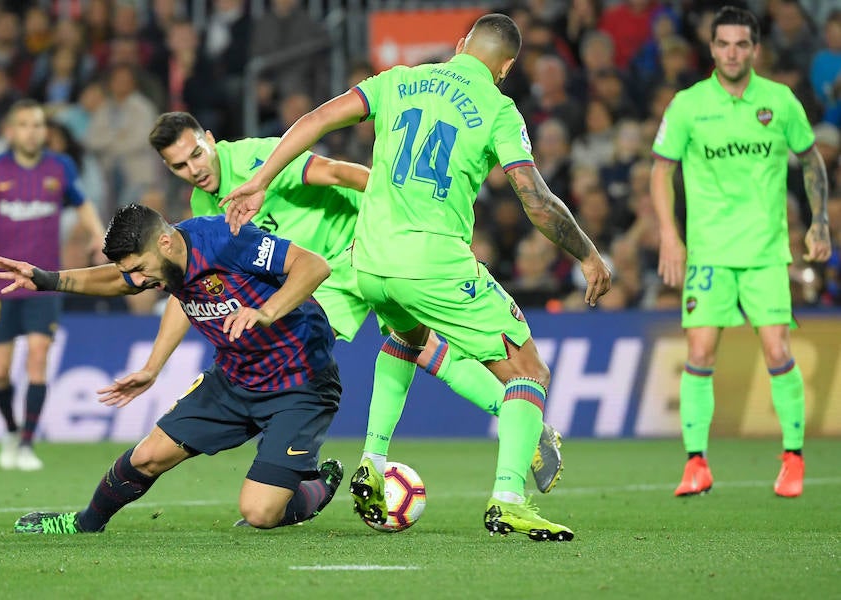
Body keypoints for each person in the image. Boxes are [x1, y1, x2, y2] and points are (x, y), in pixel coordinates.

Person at [221, 14, 611, 541]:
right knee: (529, 371)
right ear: (507, 67)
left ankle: (374, 460)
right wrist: (588, 255)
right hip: (432, 261)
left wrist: (260, 180)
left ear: (459, 45)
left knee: (406, 339)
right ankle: (509, 500)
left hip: (370, 261)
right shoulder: (499, 109)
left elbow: (316, 120)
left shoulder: (398, 79)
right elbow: (535, 199)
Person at [145, 112, 566, 510]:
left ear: (211, 141)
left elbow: (338, 172)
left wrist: (399, 210)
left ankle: (287, 474)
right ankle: (525, 427)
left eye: (197, 153)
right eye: (180, 165)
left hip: (357, 247)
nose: (194, 168)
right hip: (320, 274)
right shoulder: (204, 204)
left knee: (307, 344)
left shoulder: (256, 159)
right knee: (409, 345)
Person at [0, 203, 344, 534]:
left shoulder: (226, 238)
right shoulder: (164, 265)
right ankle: (85, 524)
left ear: (165, 241)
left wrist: (267, 310)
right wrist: (45, 279)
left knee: (259, 512)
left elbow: (313, 265)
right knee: (147, 457)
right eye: (132, 272)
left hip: (301, 382)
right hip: (233, 379)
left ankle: (318, 485)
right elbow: (118, 281)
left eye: (141, 268)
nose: (139, 280)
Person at [650, 7, 831, 499]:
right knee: (700, 353)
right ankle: (696, 464)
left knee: (778, 351)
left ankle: (793, 457)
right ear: (712, 49)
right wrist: (670, 233)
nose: (732, 52)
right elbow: (660, 170)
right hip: (708, 254)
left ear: (755, 49)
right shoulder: (688, 105)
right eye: (724, 44)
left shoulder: (779, 101)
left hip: (767, 254)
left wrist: (820, 220)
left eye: (742, 44)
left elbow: (811, 158)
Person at [0, 98, 106, 471]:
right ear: (10, 131)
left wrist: (98, 233)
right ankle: (9, 429)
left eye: (38, 125)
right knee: (0, 370)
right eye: (24, 124)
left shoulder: (61, 167)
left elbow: (82, 203)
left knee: (38, 358)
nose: (33, 131)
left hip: (44, 282)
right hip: (1, 286)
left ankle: (25, 444)